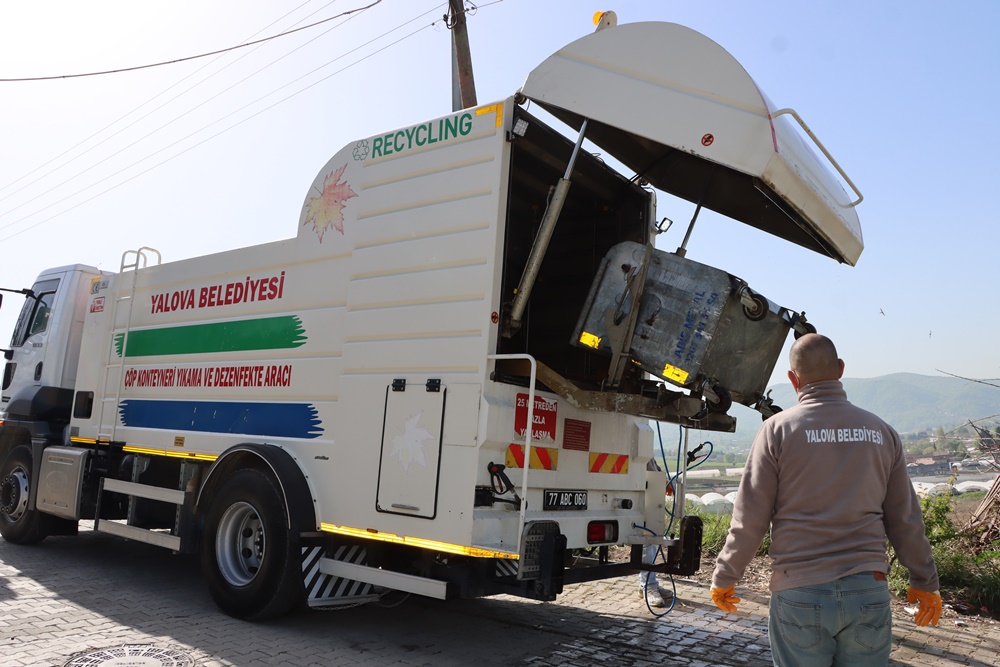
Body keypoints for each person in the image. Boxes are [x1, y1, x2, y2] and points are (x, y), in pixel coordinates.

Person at [709, 334, 941, 666]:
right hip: (869, 591)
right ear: (841, 369)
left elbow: (750, 519)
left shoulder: (777, 431)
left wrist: (726, 575)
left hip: (799, 591)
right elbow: (905, 520)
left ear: (793, 379)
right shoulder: (881, 431)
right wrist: (925, 580)